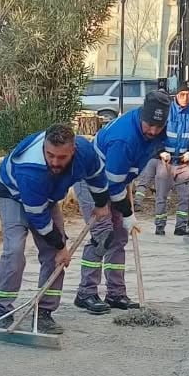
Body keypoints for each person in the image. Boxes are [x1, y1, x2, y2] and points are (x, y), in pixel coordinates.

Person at [0, 123, 104, 335]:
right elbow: (39, 218)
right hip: (12, 193)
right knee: (14, 250)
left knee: (54, 257)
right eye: (50, 155)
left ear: (73, 150)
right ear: (44, 146)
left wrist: (102, 202)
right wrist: (61, 245)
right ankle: (2, 311)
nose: (55, 162)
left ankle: (43, 313)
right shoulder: (31, 168)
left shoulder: (85, 151)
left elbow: (96, 175)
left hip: (46, 196)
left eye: (62, 157)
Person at [74, 89, 170, 313]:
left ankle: (115, 294)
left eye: (159, 127)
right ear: (141, 116)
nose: (153, 131)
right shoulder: (124, 138)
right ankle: (85, 293)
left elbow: (160, 145)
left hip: (117, 177)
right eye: (149, 125)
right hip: (91, 180)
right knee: (103, 235)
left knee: (119, 237)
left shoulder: (155, 130)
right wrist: (128, 214)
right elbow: (114, 186)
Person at [139, 80, 189, 236]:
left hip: (183, 161)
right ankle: (160, 227)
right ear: (176, 95)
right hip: (166, 161)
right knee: (161, 196)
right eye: (182, 95)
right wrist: (161, 151)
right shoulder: (167, 110)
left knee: (185, 197)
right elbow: (154, 134)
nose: (185, 98)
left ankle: (181, 227)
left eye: (188, 95)